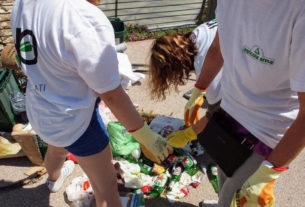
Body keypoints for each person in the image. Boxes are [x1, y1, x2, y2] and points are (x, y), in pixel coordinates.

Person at [10, 0, 172, 206]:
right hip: (76, 122)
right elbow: (111, 95)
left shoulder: (24, 2)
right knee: (106, 187)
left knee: (57, 149)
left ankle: (53, 180)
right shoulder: (82, 18)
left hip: (41, 109)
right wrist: (144, 135)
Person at [166, 1, 305, 206]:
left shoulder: (297, 10)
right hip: (229, 115)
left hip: (266, 132)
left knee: (239, 195)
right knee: (225, 184)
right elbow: (217, 49)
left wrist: (269, 172)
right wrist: (199, 89)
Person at [149, 19, 223, 142]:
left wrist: (190, 134)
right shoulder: (198, 34)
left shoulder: (203, 62)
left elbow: (220, 112)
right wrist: (197, 95)